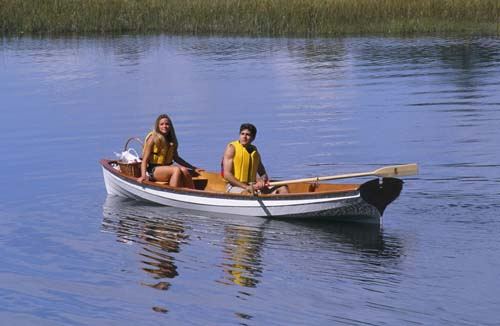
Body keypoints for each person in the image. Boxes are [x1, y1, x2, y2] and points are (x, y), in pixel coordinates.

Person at [222, 123, 288, 194]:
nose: (244, 137)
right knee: (248, 193)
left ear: (253, 138)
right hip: (234, 186)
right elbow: (227, 175)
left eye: (248, 135)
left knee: (282, 187)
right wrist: (246, 187)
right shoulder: (231, 148)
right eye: (242, 134)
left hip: (252, 185)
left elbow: (262, 173)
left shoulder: (254, 151)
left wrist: (261, 181)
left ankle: (284, 203)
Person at [138, 114, 201, 188]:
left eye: (167, 124)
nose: (164, 126)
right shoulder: (152, 139)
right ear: (157, 126)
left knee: (184, 170)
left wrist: (193, 168)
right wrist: (143, 176)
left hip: (167, 168)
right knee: (176, 170)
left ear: (170, 126)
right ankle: (174, 194)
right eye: (161, 124)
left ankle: (192, 193)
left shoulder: (171, 140)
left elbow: (176, 158)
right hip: (153, 170)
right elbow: (144, 160)